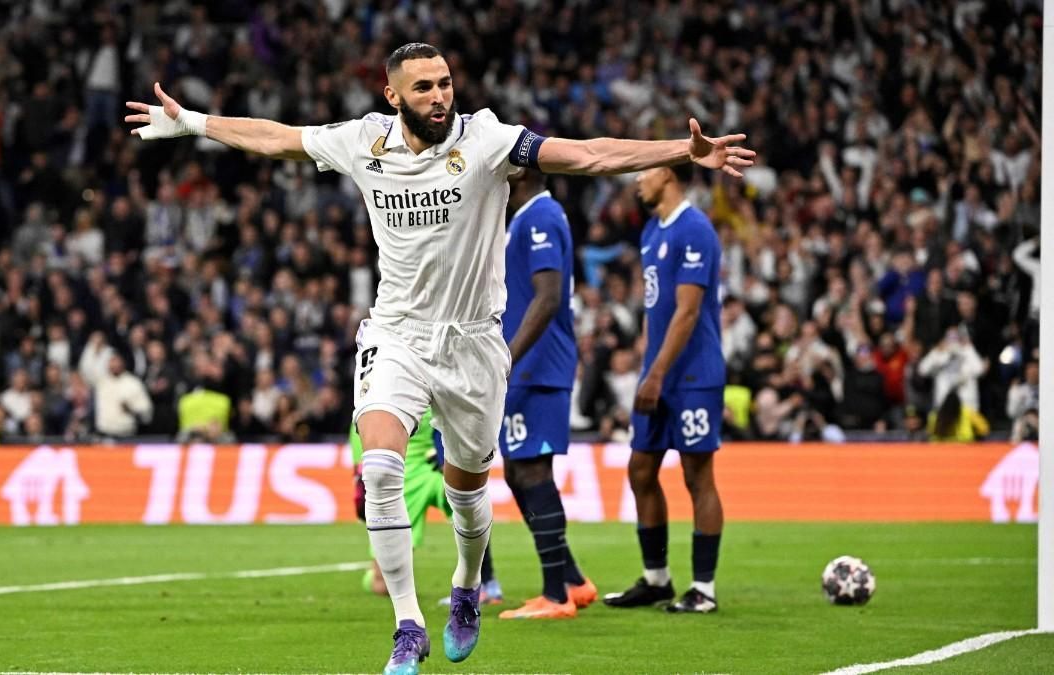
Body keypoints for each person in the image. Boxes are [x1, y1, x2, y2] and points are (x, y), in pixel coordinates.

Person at [127, 42, 751, 675]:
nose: (439, 97)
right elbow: (277, 138)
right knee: (379, 469)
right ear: (393, 95)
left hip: (476, 342)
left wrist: (682, 150)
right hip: (396, 334)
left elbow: (586, 154)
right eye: (423, 87)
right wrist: (194, 123)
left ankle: (466, 585)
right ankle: (407, 625)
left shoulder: (487, 141)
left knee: (468, 491)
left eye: (445, 83)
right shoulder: (363, 142)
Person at [604, 163, 726, 614]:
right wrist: (647, 365)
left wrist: (655, 372)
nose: (636, 178)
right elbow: (654, 311)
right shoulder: (653, 231)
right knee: (640, 470)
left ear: (669, 176)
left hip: (694, 374)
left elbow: (688, 312)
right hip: (657, 371)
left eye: (644, 171)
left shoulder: (695, 229)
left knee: (698, 477)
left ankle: (704, 588)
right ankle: (657, 579)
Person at [495, 169, 595, 620]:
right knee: (519, 472)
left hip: (537, 366)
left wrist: (509, 356)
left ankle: (556, 596)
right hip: (530, 368)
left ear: (524, 169)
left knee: (532, 472)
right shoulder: (526, 217)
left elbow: (549, 295)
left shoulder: (540, 216)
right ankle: (572, 579)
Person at [349, 410, 502, 603]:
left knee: (471, 509)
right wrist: (360, 472)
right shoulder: (381, 386)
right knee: (383, 585)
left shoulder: (439, 381)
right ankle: (374, 575)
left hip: (438, 465)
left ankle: (486, 584)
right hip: (404, 474)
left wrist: (445, 452)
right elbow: (362, 423)